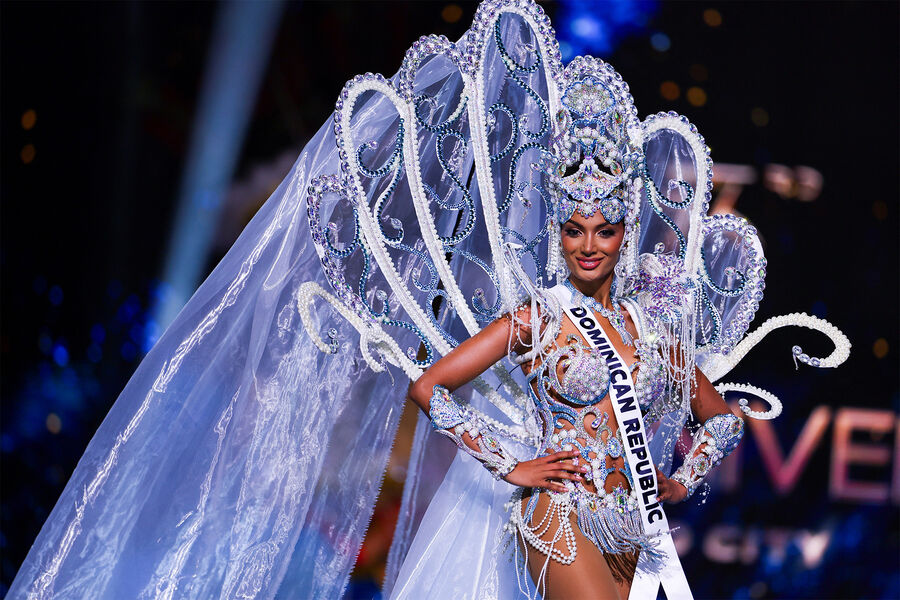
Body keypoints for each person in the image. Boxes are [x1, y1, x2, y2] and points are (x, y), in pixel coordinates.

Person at [9, 1, 849, 599]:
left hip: (630, 522)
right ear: (559, 232)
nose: (589, 244)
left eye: (604, 229)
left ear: (625, 231)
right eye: (573, 229)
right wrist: (514, 466)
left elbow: (719, 415)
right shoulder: (534, 321)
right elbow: (430, 386)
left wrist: (680, 477)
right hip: (552, 515)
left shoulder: (656, 333)